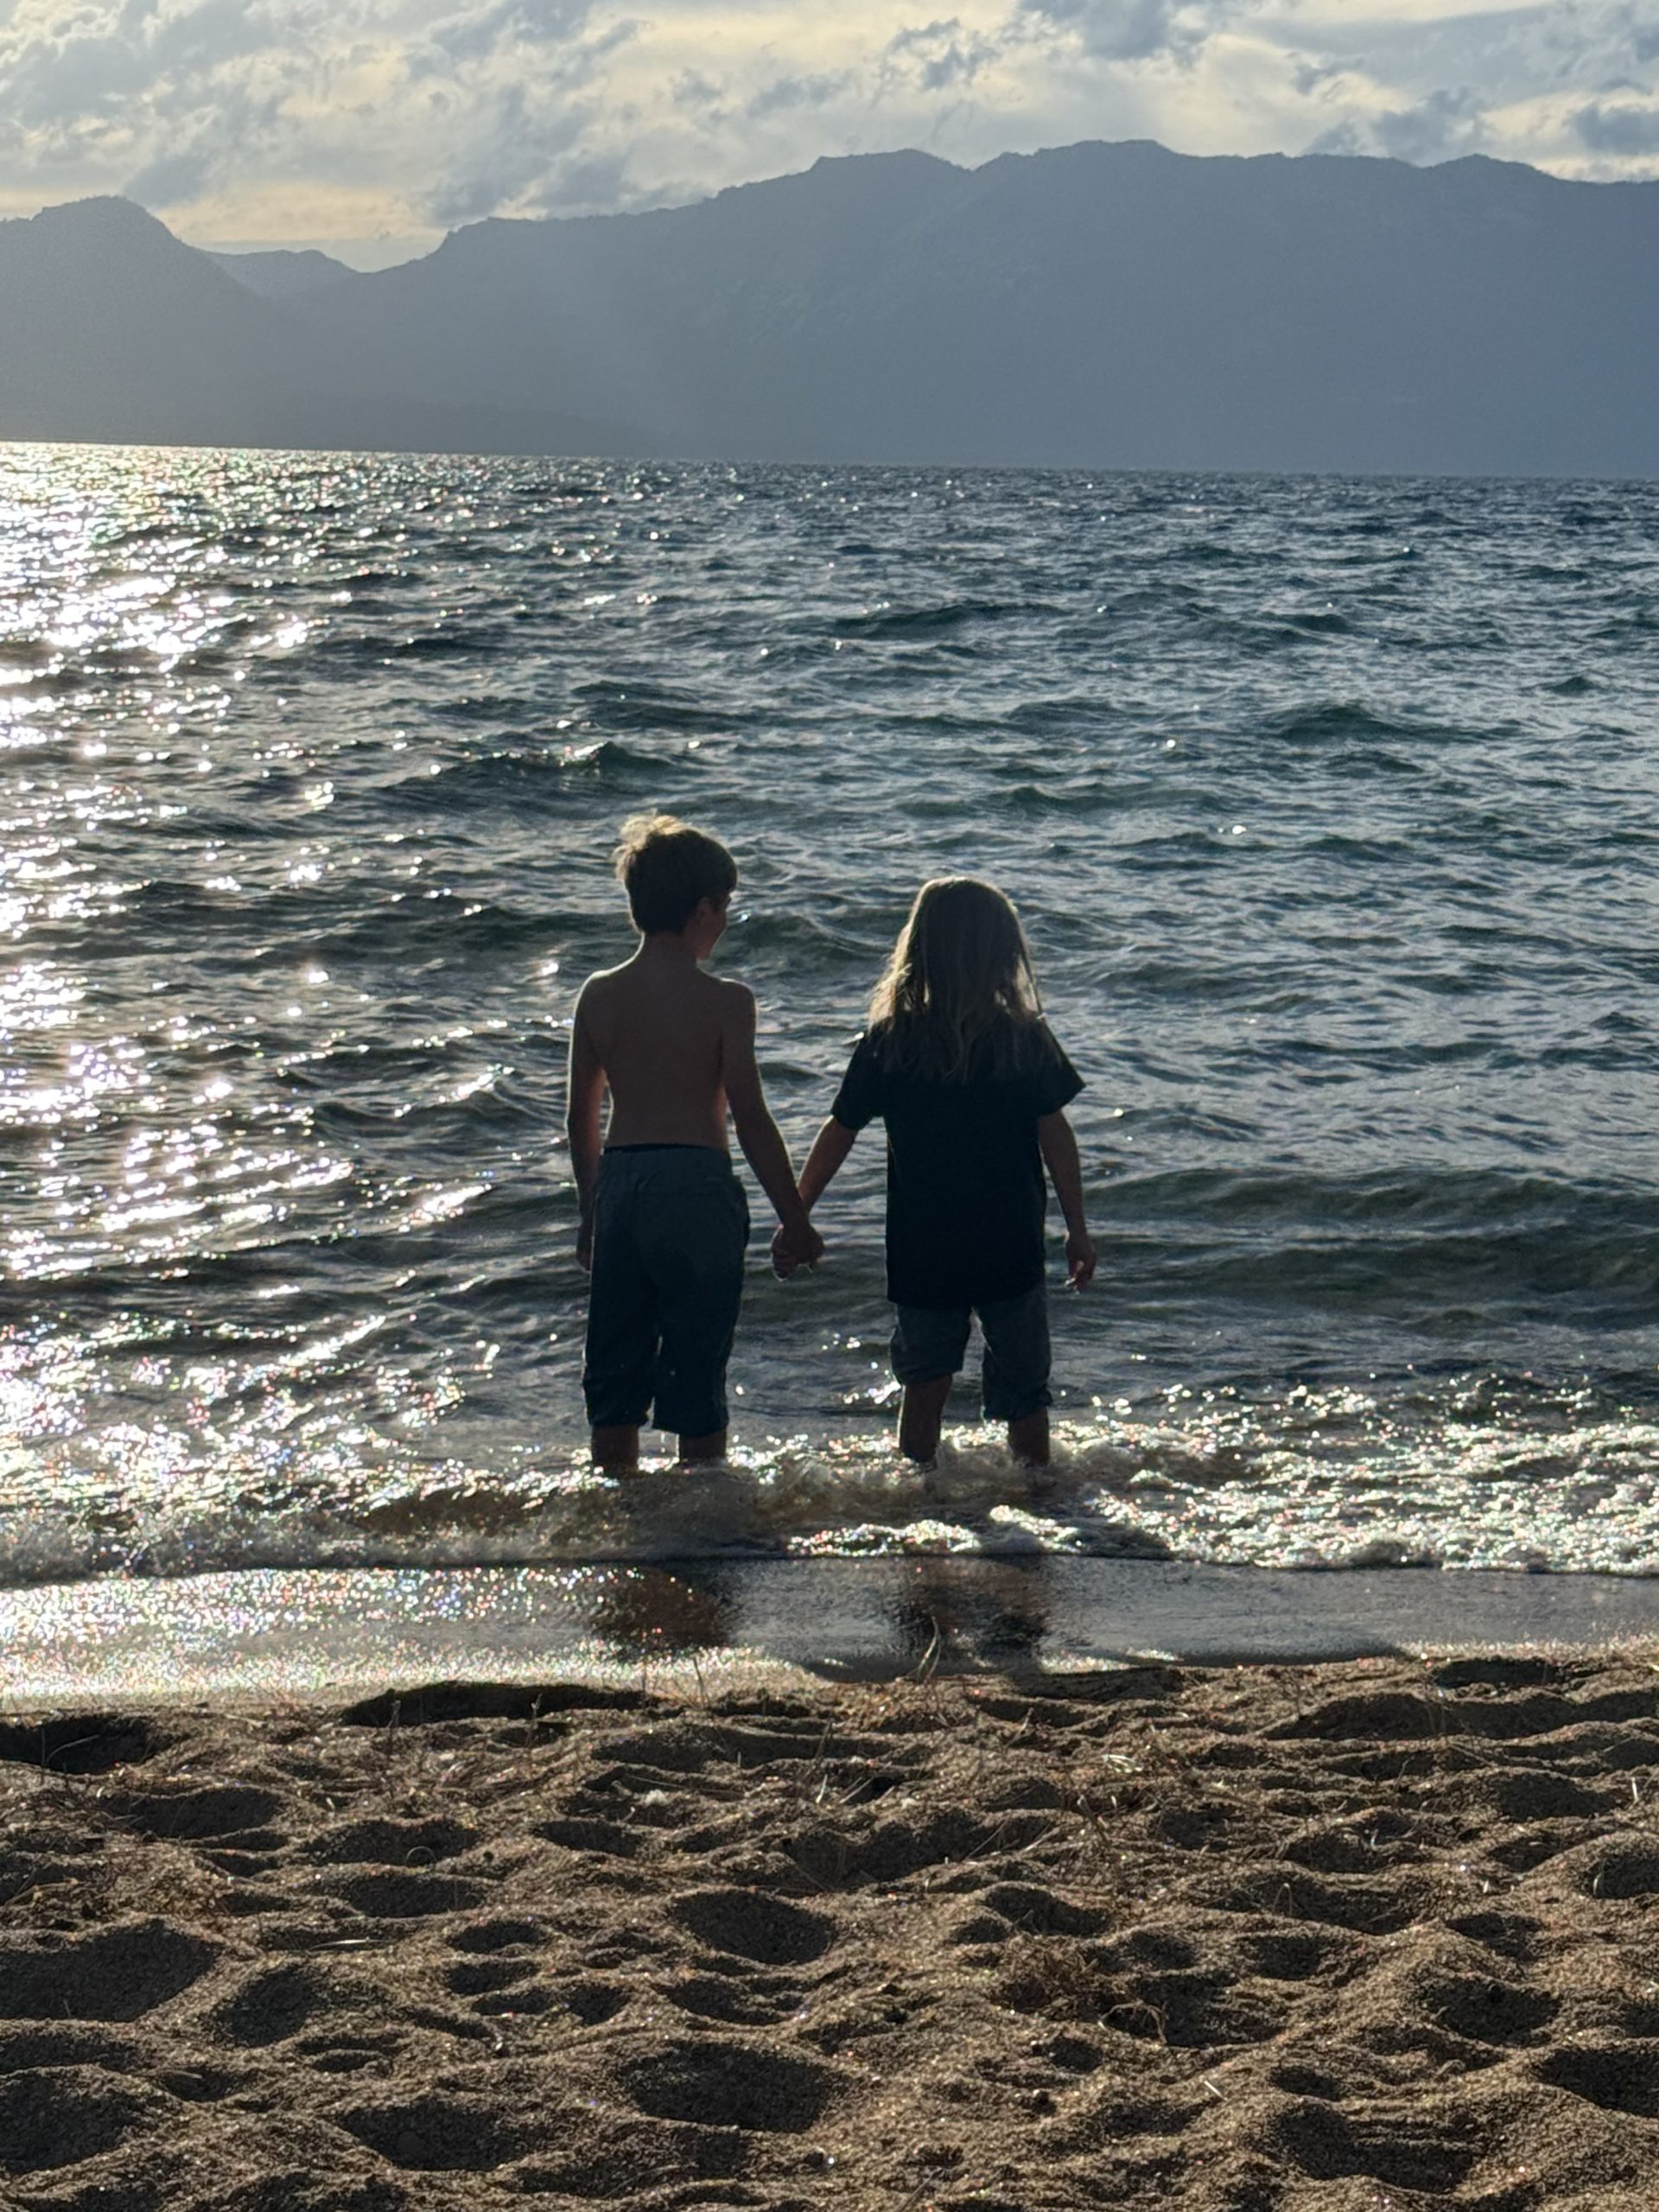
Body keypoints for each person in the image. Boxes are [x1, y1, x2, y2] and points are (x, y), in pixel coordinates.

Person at [781, 876, 1094, 1467]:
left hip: (923, 1246)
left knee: (925, 1383)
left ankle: (918, 1496)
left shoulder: (891, 1042)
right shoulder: (1022, 1040)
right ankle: (1037, 1496)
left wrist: (796, 1214)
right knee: (1024, 1391)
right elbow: (1056, 1136)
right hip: (1010, 1241)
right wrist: (1077, 1229)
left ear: (918, 951)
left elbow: (839, 1131)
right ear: (1002, 954)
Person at [567, 815, 822, 1471]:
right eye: (724, 908)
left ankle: (616, 1502)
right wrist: (794, 1218)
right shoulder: (727, 1001)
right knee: (697, 1367)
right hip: (697, 1186)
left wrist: (591, 1209)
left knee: (614, 1375)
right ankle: (701, 1505)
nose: (726, 922)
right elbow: (751, 1118)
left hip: (623, 1182)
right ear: (702, 909)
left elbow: (581, 1118)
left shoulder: (598, 995)